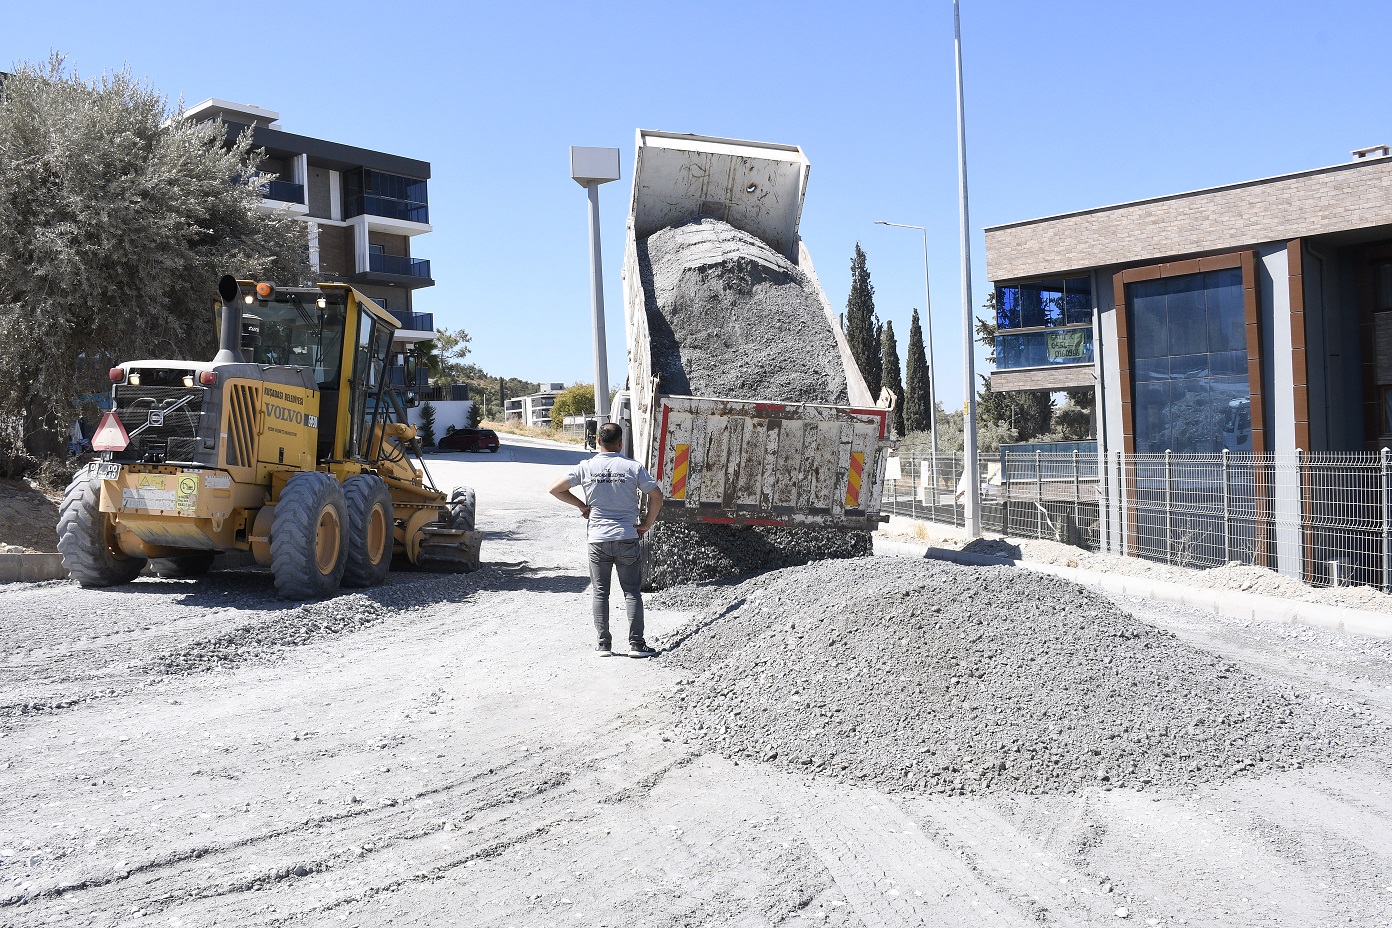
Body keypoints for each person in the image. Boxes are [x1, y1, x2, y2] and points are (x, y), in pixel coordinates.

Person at [548, 422, 663, 658]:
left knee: (600, 592)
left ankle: (603, 645)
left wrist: (582, 505)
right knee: (631, 592)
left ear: (598, 441)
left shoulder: (586, 467)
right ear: (620, 443)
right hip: (627, 537)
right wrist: (647, 524)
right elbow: (656, 495)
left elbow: (555, 489)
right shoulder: (632, 467)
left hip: (598, 539)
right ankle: (637, 645)